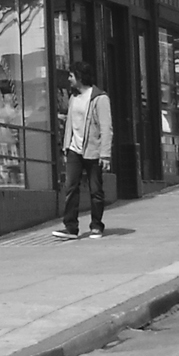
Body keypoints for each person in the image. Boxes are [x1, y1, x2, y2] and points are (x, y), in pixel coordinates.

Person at [52, 61, 112, 240]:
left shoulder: (100, 98)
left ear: (79, 77)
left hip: (93, 151)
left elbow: (106, 127)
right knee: (71, 187)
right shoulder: (74, 98)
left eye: (71, 76)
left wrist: (105, 154)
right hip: (74, 150)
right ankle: (71, 227)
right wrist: (66, 146)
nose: (69, 79)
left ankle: (96, 225)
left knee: (95, 190)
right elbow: (70, 123)